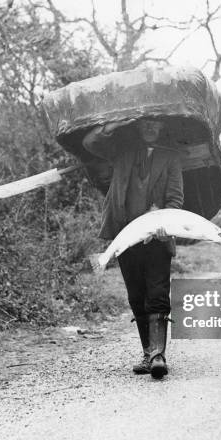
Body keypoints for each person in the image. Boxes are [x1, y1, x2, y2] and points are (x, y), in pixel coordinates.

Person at [82, 118, 184, 378]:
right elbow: (90, 144)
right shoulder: (120, 153)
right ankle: (147, 352)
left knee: (158, 295)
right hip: (125, 238)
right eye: (145, 124)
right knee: (137, 297)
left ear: (162, 127)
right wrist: (112, 126)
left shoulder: (171, 158)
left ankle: (158, 355)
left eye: (155, 124)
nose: (151, 128)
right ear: (138, 127)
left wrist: (162, 216)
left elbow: (176, 200)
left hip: (156, 240)